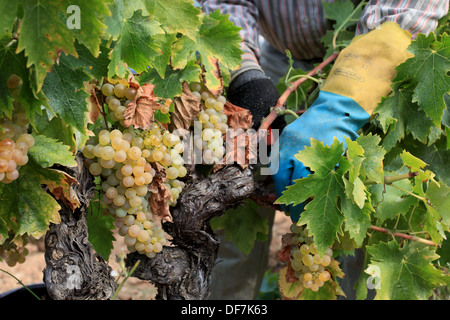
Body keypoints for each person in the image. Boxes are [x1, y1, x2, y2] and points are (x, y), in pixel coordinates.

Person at [198, 0, 449, 300]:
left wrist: (338, 106)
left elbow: (406, 10)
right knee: (236, 196)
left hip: (375, 54)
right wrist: (246, 75)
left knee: (361, 223)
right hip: (276, 61)